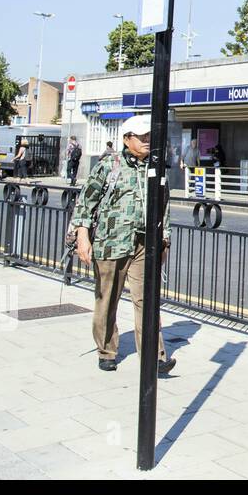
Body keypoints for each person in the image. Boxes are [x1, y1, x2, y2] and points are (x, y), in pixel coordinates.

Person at [71, 114, 175, 375]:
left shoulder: (156, 167)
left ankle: (155, 356)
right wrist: (82, 237)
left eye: (149, 136)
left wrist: (165, 239)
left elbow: (164, 205)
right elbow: (86, 202)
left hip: (144, 242)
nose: (147, 141)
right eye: (141, 137)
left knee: (147, 300)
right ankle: (106, 350)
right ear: (127, 139)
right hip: (111, 242)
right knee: (107, 298)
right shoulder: (110, 165)